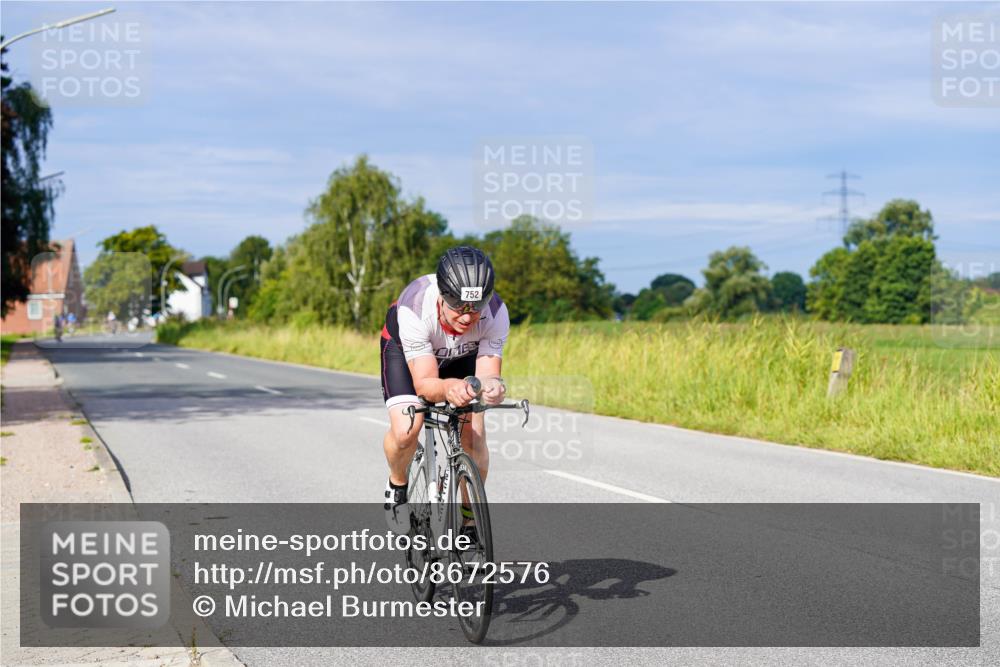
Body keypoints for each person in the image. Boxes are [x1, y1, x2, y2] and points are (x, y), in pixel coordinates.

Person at [380, 246, 509, 534]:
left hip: (462, 354)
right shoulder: (414, 308)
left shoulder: (496, 313)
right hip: (407, 354)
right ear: (442, 297)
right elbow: (425, 384)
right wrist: (450, 387)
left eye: (475, 308)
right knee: (406, 431)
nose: (467, 317)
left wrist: (492, 388)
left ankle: (469, 519)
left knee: (473, 437)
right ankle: (397, 486)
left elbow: (488, 373)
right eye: (459, 307)